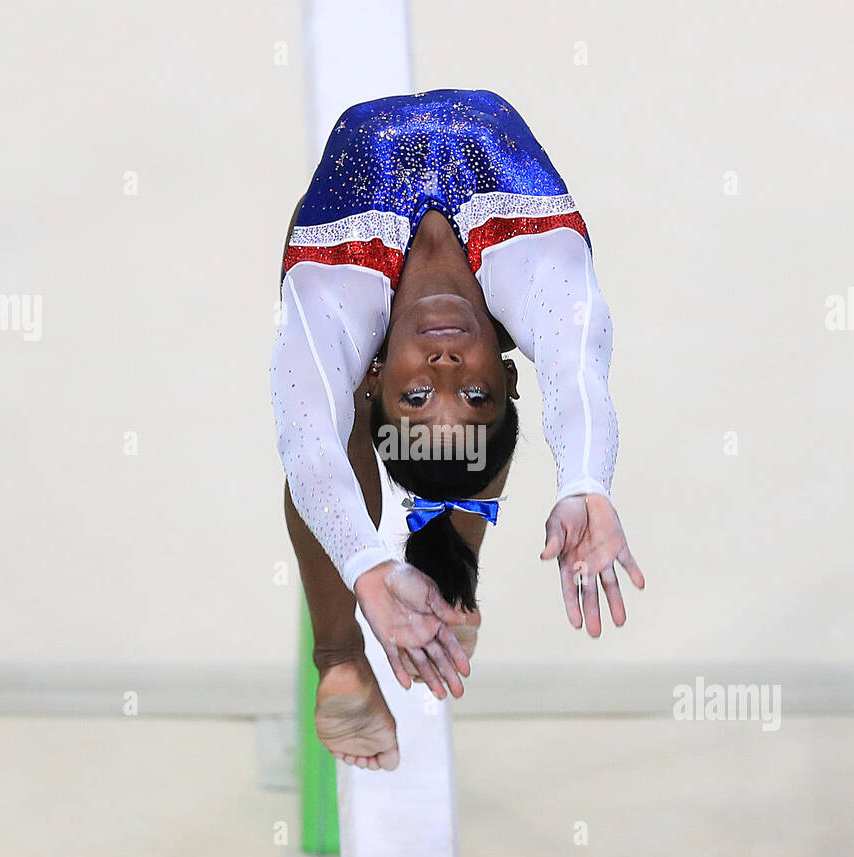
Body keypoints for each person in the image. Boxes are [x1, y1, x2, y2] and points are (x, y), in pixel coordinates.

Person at [273, 89, 644, 770]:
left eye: (416, 394)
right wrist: (585, 481)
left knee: (331, 408)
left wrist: (369, 569)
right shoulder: (544, 275)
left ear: (378, 367)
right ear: (505, 376)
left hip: (346, 258)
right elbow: (578, 377)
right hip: (491, 240)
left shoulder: (332, 288)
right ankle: (445, 584)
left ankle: (340, 660)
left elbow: (308, 443)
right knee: (422, 431)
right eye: (473, 391)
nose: (444, 364)